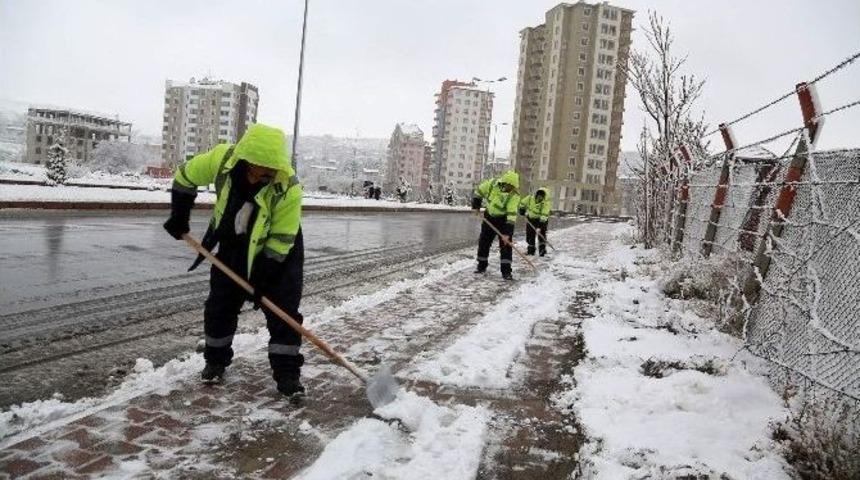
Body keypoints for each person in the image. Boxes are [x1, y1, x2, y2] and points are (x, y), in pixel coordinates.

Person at [163, 123, 307, 397]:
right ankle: (215, 362)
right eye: (258, 169)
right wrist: (179, 215)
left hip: (279, 253)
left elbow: (281, 240)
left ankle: (288, 375)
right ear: (245, 160)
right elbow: (185, 176)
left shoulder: (288, 186)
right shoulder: (222, 161)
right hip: (234, 242)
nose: (262, 176)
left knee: (283, 313)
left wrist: (262, 280)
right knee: (219, 306)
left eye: (269, 171)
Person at [471, 170, 521, 280]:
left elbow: (512, 215)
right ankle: (481, 266)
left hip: (503, 221)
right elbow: (479, 192)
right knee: (484, 242)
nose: (511, 190)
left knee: (506, 245)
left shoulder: (514, 196)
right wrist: (476, 205)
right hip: (489, 217)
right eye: (510, 187)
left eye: (513, 188)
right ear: (505, 183)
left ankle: (506, 272)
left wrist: (507, 233)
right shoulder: (492, 184)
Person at [519, 187, 551, 256]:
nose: (540, 198)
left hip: (542, 220)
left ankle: (542, 251)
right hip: (531, 219)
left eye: (541, 197)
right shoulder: (530, 198)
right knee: (530, 235)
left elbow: (544, 214)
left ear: (544, 197)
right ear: (536, 195)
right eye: (539, 196)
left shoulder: (545, 203)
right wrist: (522, 209)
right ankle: (531, 251)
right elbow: (522, 203)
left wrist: (540, 226)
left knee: (541, 235)